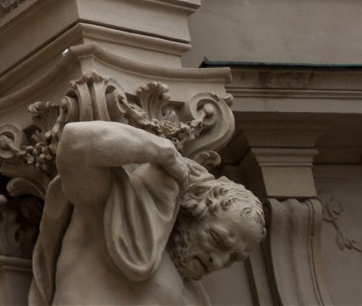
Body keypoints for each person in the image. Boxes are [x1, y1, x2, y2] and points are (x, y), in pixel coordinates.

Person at [30, 120, 266, 305]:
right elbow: (75, 142)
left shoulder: (194, 298)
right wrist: (161, 151)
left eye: (233, 258)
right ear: (191, 210)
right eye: (217, 240)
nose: (219, 261)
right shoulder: (114, 215)